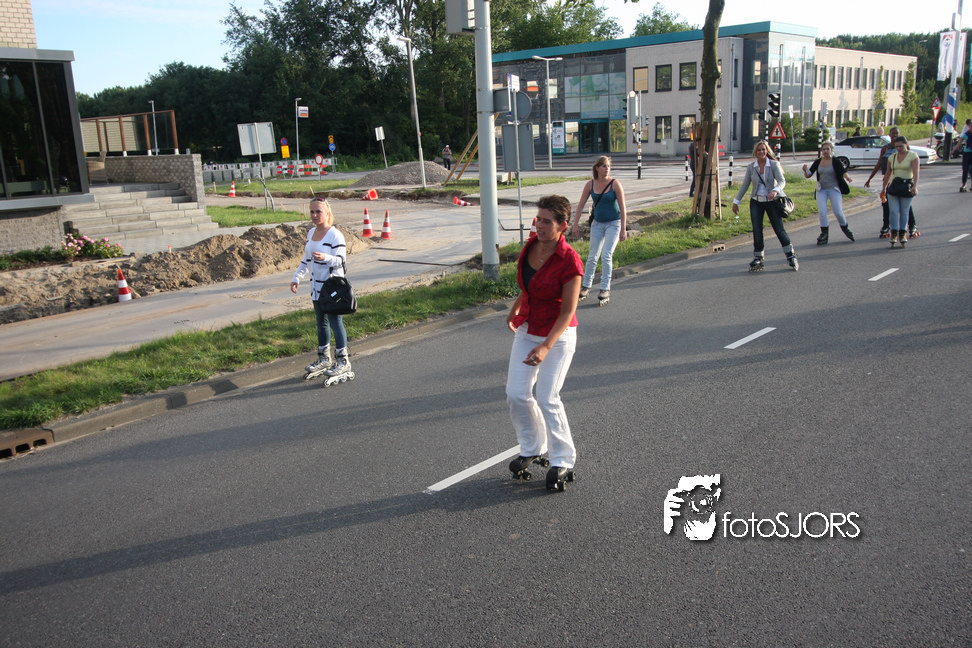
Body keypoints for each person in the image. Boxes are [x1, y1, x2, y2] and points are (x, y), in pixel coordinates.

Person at [506, 194, 583, 490]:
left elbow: (568, 311)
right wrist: (515, 308)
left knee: (548, 397)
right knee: (516, 394)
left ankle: (563, 459)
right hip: (528, 328)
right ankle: (531, 447)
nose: (539, 225)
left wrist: (546, 346)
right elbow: (530, 285)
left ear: (562, 225)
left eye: (547, 221)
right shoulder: (531, 246)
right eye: (538, 218)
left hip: (558, 336)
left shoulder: (569, 261)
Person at [291, 198, 352, 379]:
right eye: (312, 212)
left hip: (332, 288)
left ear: (327, 213)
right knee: (321, 323)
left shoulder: (335, 235)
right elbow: (306, 260)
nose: (315, 215)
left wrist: (326, 258)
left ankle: (343, 361)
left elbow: (341, 261)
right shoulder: (311, 233)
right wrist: (296, 277)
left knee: (335, 323)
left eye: (318, 212)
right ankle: (324, 358)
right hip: (316, 288)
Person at [732, 140, 798, 271]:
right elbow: (745, 185)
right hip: (756, 202)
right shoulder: (752, 167)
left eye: (763, 149)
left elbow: (782, 181)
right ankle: (758, 257)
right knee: (757, 230)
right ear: (755, 152)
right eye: (759, 150)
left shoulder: (773, 164)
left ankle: (790, 255)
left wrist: (775, 191)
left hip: (772, 202)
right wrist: (736, 201)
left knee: (779, 229)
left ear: (767, 151)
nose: (761, 152)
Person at [570, 156, 627, 305]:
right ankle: (586, 286)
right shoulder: (590, 184)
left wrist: (623, 229)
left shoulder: (615, 184)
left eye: (608, 166)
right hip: (597, 224)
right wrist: (575, 225)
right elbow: (580, 206)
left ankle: (604, 289)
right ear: (597, 168)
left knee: (606, 255)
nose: (607, 169)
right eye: (603, 166)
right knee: (592, 256)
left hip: (614, 224)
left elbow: (623, 208)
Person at [864, 126, 919, 238]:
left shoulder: (906, 149)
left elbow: (915, 168)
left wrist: (914, 185)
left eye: (896, 133)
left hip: (904, 181)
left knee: (905, 205)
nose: (895, 135)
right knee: (886, 204)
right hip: (888, 179)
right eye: (893, 133)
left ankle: (912, 225)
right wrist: (870, 178)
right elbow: (879, 163)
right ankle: (886, 225)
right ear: (889, 135)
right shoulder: (886, 148)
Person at [802, 141, 855, 245]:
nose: (825, 151)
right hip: (821, 190)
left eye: (827, 149)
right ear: (821, 151)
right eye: (823, 149)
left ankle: (845, 228)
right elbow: (809, 174)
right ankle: (824, 233)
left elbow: (843, 172)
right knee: (822, 211)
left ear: (831, 150)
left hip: (833, 189)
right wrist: (805, 170)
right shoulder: (818, 162)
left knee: (838, 211)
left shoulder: (835, 161)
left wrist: (848, 177)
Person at [881, 136, 919, 249]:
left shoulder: (913, 156)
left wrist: (915, 186)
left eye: (901, 146)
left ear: (906, 145)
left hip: (907, 187)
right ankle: (894, 233)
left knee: (904, 211)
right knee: (893, 211)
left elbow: (916, 173)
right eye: (896, 146)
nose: (898, 148)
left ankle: (903, 233)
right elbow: (888, 173)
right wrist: (884, 188)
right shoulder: (892, 157)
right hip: (894, 187)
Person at [952, 124, 972, 192]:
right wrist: (953, 151)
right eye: (971, 126)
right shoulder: (966, 134)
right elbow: (959, 143)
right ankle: (964, 184)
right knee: (965, 169)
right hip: (967, 153)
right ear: (969, 127)